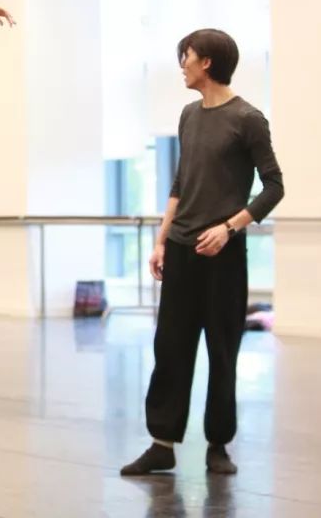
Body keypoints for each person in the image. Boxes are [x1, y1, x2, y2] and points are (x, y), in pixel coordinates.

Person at [121, 28, 284, 477]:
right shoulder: (189, 115)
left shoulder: (248, 119)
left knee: (222, 350)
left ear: (207, 62)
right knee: (170, 347)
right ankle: (162, 443)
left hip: (222, 255)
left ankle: (218, 446)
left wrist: (229, 228)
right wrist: (161, 240)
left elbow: (274, 187)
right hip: (181, 250)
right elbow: (181, 182)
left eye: (187, 56)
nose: (182, 65)